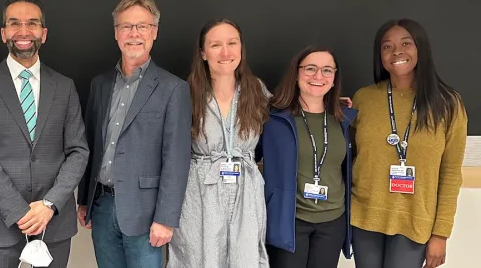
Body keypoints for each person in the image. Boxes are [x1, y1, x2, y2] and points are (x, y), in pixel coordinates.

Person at [0, 0, 89, 268]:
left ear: (43, 33)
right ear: (3, 33)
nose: (23, 31)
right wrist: (18, 211)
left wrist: (49, 204)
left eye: (32, 23)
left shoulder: (64, 87)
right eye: (14, 23)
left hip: (52, 225)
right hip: (2, 225)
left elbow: (78, 151)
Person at [77, 0, 192, 268]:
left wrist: (166, 218)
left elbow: (176, 160)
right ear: (117, 33)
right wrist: (84, 200)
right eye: (126, 26)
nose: (134, 34)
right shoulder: (100, 85)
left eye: (142, 26)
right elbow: (90, 144)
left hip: (146, 213)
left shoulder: (173, 89)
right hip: (102, 206)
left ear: (154, 32)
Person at [350, 18, 467, 268]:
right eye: (387, 47)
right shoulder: (364, 99)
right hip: (364, 216)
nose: (397, 52)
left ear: (420, 49)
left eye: (406, 43)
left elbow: (450, 174)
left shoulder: (448, 104)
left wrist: (440, 234)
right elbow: (348, 155)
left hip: (415, 221)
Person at [167, 18, 269, 268]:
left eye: (232, 43)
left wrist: (329, 104)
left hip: (246, 189)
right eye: (215, 45)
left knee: (245, 259)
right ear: (203, 52)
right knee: (198, 258)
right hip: (199, 190)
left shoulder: (257, 90)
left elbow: (289, 114)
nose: (225, 52)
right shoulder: (185, 92)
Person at [258, 46, 356, 268]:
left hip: (332, 221)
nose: (318, 76)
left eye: (327, 70)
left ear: (334, 78)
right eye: (310, 68)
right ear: (296, 74)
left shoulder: (344, 119)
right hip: (289, 220)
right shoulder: (273, 118)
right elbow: (250, 155)